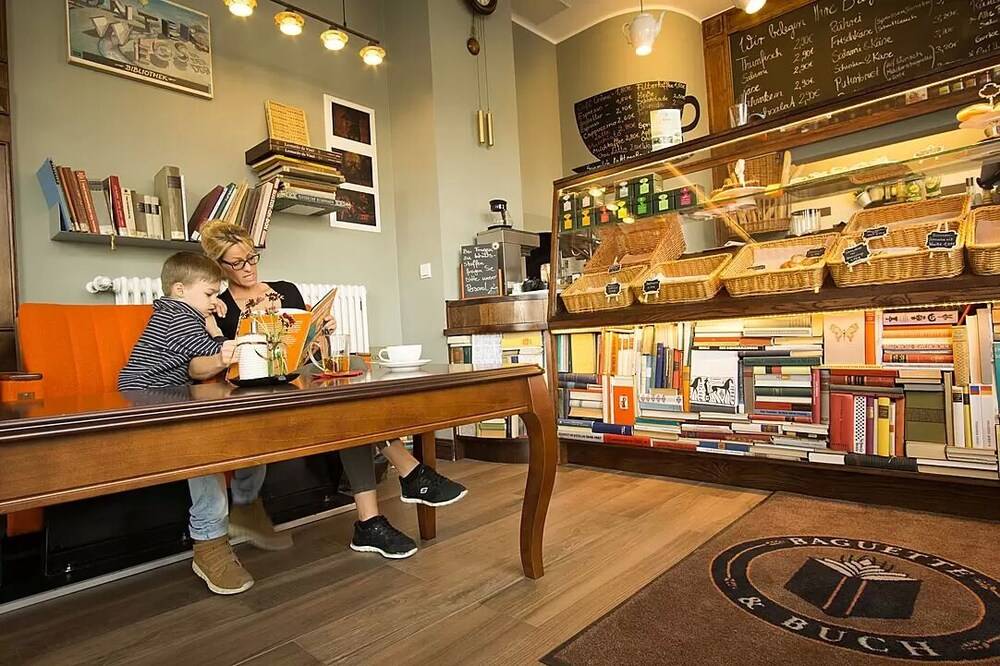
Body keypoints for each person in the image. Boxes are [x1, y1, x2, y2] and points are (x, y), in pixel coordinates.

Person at [197, 220, 467, 561]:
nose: (248, 268)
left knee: (350, 385)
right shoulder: (219, 307)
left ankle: (375, 520)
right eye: (237, 263)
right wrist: (219, 328)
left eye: (252, 258)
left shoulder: (286, 291)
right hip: (263, 396)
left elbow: (315, 353)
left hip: (303, 385)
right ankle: (411, 477)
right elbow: (221, 362)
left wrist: (322, 331)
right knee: (349, 411)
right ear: (218, 266)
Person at [118, 252, 255, 595]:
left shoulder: (176, 311)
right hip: (143, 398)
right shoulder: (177, 317)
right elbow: (213, 351)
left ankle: (238, 519)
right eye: (210, 294)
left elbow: (203, 354)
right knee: (202, 443)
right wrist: (216, 328)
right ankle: (210, 543)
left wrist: (208, 315)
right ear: (179, 290)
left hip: (164, 395)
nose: (215, 301)